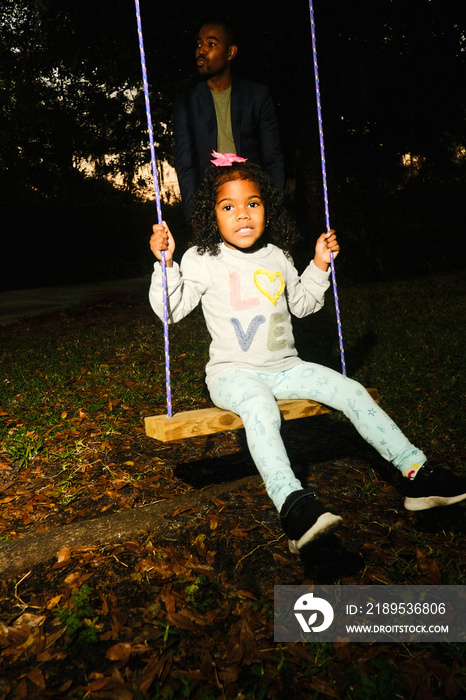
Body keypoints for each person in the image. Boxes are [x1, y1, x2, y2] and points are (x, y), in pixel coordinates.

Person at [149, 153, 466, 554]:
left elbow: (302, 304)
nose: (242, 215)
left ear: (268, 208)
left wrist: (318, 264)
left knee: (351, 390)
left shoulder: (278, 255)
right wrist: (165, 264)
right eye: (228, 206)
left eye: (253, 203)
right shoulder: (201, 259)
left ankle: (417, 474)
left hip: (287, 368)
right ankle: (293, 505)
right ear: (212, 215)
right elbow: (170, 310)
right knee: (260, 408)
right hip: (234, 375)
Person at [174, 19, 285, 221]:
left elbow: (273, 159)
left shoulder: (257, 96)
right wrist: (195, 218)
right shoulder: (186, 102)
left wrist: (272, 210)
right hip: (211, 208)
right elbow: (186, 166)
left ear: (230, 52)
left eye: (211, 44)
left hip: (251, 205)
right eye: (199, 44)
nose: (201, 51)